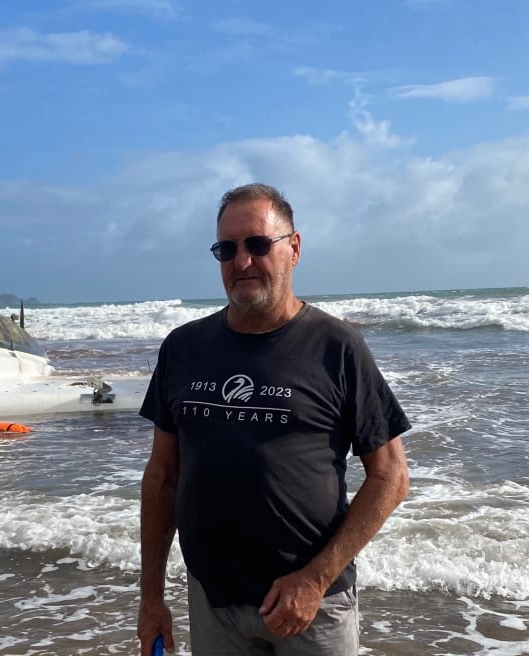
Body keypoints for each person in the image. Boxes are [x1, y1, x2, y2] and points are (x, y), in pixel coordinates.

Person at [137, 183, 411, 655]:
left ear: (294, 248)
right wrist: (151, 597)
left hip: (313, 609)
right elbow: (163, 477)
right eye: (227, 249)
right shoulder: (183, 348)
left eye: (258, 245)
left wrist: (315, 578)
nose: (242, 261)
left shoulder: (337, 347)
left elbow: (391, 476)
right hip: (213, 604)